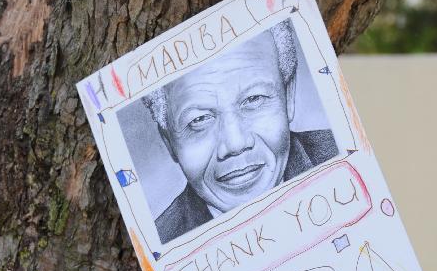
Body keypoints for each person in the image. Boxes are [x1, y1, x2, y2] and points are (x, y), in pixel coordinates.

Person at [143, 21, 338, 243]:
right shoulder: (162, 242)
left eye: (254, 99)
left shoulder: (345, 155)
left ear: (289, 96)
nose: (235, 143)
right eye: (199, 119)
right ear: (168, 141)